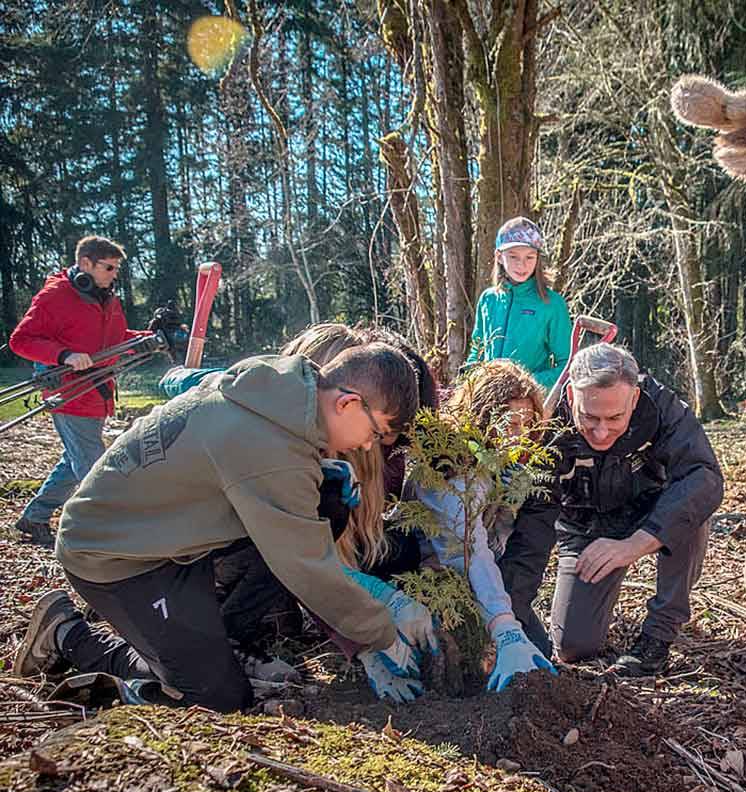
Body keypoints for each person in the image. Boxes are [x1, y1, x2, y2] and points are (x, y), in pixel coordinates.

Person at [14, 343, 431, 712]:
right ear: (346, 403)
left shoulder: (279, 391)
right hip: (114, 556)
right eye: (376, 433)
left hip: (170, 539)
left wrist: (320, 472)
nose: (368, 447)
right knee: (214, 696)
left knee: (327, 500)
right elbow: (306, 566)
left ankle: (222, 642)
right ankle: (67, 635)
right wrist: (382, 634)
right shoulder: (270, 447)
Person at [499, 342, 724, 676]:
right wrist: (512, 618)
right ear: (572, 397)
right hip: (584, 527)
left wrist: (634, 545)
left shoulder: (661, 406)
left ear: (633, 398)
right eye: (589, 417)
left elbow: (704, 478)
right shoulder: (548, 424)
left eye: (615, 417)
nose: (601, 432)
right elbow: (536, 522)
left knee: (689, 509)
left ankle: (658, 636)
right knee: (574, 646)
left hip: (650, 514)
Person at [399, 359, 557, 691]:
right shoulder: (452, 469)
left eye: (527, 426)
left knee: (541, 651)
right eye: (509, 425)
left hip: (484, 581)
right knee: (462, 670)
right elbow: (468, 551)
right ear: (483, 417)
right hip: (432, 581)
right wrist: (505, 626)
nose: (519, 438)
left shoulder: (508, 470)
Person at [9, 236, 153, 546]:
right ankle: (108, 533)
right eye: (109, 267)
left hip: (97, 392)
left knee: (73, 463)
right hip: (68, 393)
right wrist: (63, 355)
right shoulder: (55, 295)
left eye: (116, 268)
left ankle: (34, 518)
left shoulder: (107, 298)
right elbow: (21, 340)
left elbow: (114, 338)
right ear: (85, 263)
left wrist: (148, 338)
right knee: (93, 466)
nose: (115, 274)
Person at [463, 217, 572, 390]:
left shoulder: (551, 304)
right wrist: (469, 382)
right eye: (513, 256)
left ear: (538, 258)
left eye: (529, 257)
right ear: (499, 256)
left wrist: (527, 384)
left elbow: (567, 365)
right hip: (487, 398)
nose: (522, 265)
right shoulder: (488, 300)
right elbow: (477, 353)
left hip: (529, 403)